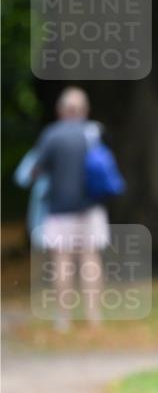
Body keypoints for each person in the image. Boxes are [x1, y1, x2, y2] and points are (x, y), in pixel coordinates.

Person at [30, 87, 111, 331]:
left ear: (60, 110)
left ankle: (63, 319)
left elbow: (36, 170)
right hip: (91, 207)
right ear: (84, 110)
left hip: (59, 209)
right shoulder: (94, 132)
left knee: (63, 262)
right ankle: (94, 317)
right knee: (90, 261)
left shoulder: (52, 135)